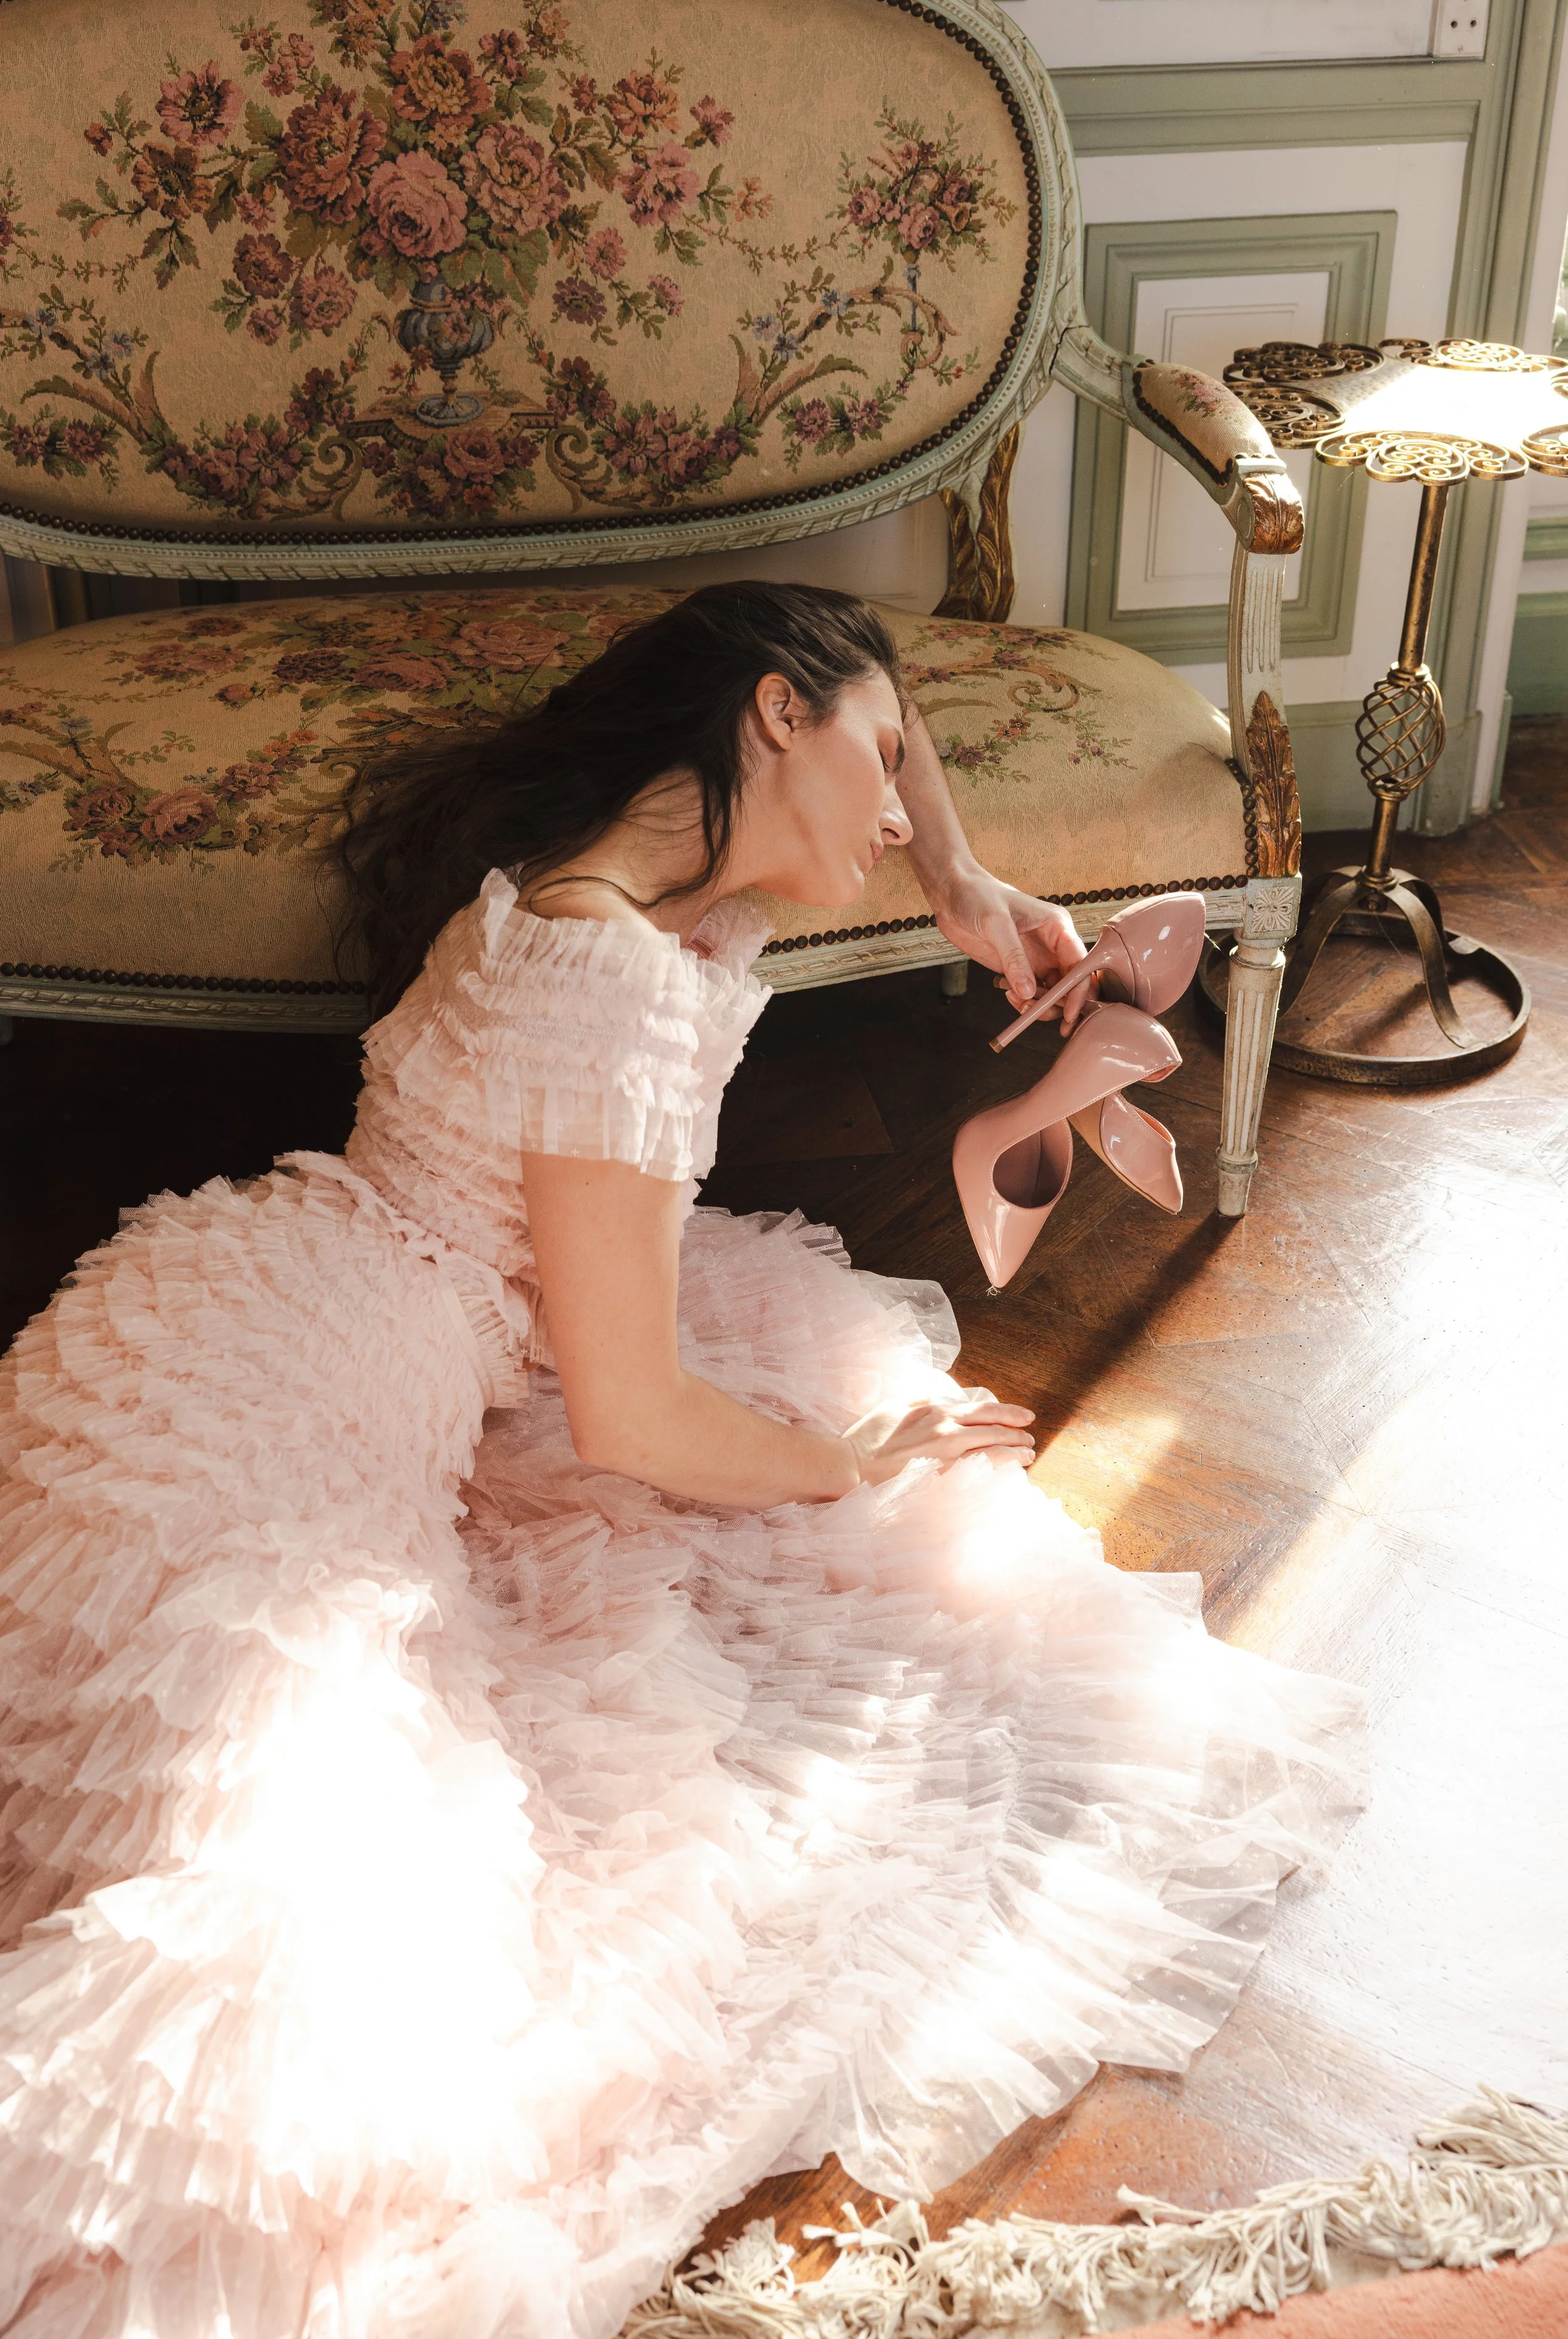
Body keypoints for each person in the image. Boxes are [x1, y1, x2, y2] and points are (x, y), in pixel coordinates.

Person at [0, 583, 1362, 2339]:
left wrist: (954, 874)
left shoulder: (588, 871)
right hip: (307, 1405)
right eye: (880, 760)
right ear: (771, 713)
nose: (896, 806)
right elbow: (635, 1419)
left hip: (205, 1302)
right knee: (318, 1938)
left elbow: (854, 676)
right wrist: (848, 1455)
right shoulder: (624, 997)